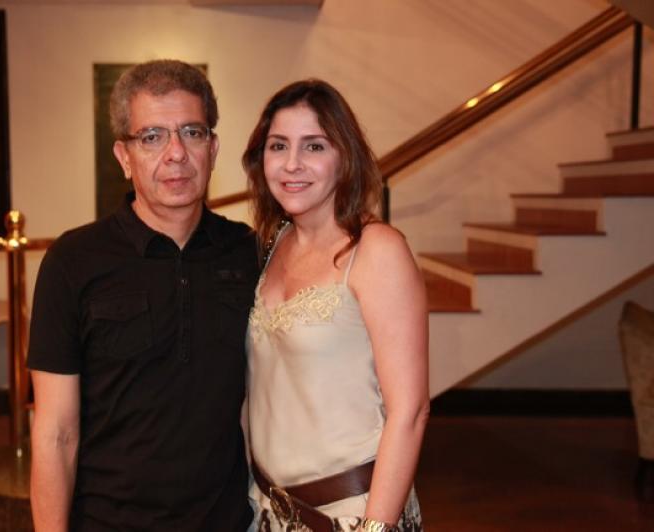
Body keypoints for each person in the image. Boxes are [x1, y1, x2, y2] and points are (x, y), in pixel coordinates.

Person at [27, 59, 258, 532]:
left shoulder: (249, 253)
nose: (176, 153)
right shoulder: (72, 262)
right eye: (152, 137)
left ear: (213, 148)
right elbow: (55, 433)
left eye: (192, 132)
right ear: (124, 156)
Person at [242, 79, 428, 532]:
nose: (292, 163)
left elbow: (410, 410)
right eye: (278, 146)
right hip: (267, 510)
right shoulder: (271, 244)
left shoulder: (376, 250)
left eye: (314, 146)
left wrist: (375, 527)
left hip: (353, 512)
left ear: (344, 157)